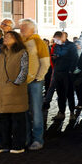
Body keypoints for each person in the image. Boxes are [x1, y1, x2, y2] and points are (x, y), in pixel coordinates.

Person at [0, 30, 30, 154]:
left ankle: (18, 144)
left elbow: (24, 70)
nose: (5, 38)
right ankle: (5, 143)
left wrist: (16, 83)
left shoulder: (22, 52)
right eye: (5, 36)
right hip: (1, 90)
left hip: (16, 91)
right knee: (3, 120)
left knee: (17, 119)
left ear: (16, 39)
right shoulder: (1, 54)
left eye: (9, 37)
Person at [18, 19, 51, 150]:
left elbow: (45, 63)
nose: (21, 29)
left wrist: (39, 78)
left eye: (24, 27)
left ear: (32, 29)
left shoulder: (38, 42)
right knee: (24, 111)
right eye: (21, 27)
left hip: (34, 81)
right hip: (22, 81)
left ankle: (38, 139)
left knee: (36, 111)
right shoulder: (20, 42)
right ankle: (26, 138)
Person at [49, 30, 78, 121]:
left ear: (62, 37)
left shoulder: (71, 45)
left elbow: (75, 58)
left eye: (57, 39)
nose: (56, 41)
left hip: (67, 73)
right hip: (58, 72)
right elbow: (53, 56)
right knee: (60, 94)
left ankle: (72, 112)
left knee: (69, 93)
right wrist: (54, 58)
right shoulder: (56, 45)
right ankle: (61, 112)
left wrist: (70, 70)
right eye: (55, 40)